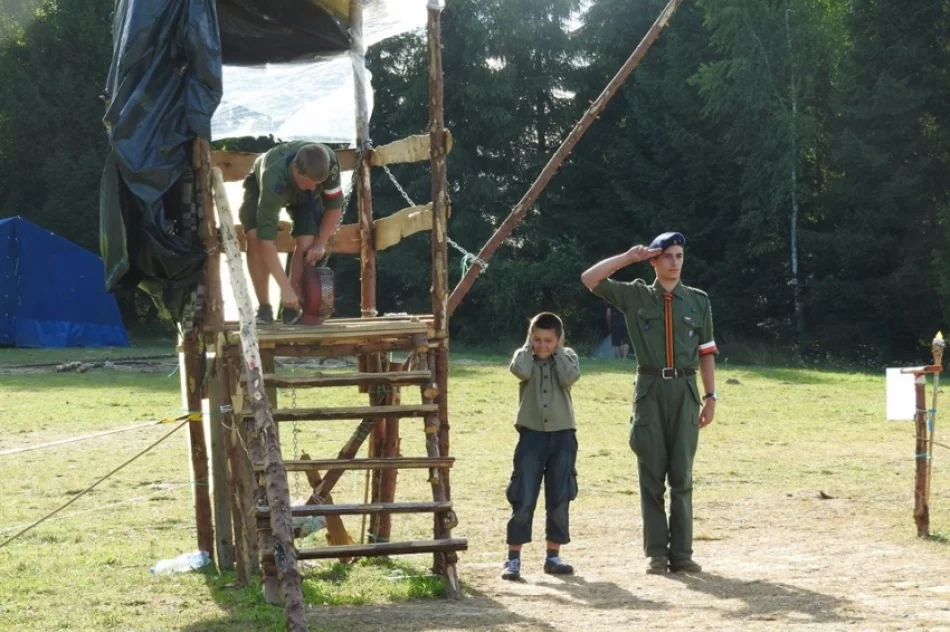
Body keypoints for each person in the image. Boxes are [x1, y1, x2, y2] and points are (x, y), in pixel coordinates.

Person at [580, 232, 718, 575]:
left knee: (682, 476)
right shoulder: (636, 295)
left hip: (685, 391)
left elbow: (706, 352)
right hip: (650, 390)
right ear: (654, 261)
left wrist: (711, 396)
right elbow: (590, 278)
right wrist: (628, 258)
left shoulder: (698, 301)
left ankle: (682, 554)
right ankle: (656, 553)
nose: (675, 262)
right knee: (651, 475)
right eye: (667, 256)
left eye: (679, 256)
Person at [501, 312, 581, 581]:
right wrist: (528, 347)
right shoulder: (524, 357)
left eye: (549, 340)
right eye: (537, 339)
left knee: (560, 495)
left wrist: (558, 351)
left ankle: (553, 557)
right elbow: (520, 371)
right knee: (523, 495)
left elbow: (568, 378)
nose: (542, 345)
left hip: (563, 435)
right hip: (532, 436)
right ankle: (513, 559)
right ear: (530, 338)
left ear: (559, 340)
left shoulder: (568, 357)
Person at [238, 141, 345, 324]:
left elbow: (334, 208)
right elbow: (266, 242)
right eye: (310, 183)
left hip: (305, 198)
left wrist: (320, 244)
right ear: (296, 169)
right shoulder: (273, 177)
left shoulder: (330, 164)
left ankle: (292, 307)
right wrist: (284, 288)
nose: (314, 188)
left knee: (307, 243)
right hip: (263, 186)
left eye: (318, 184)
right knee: (254, 236)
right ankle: (264, 308)